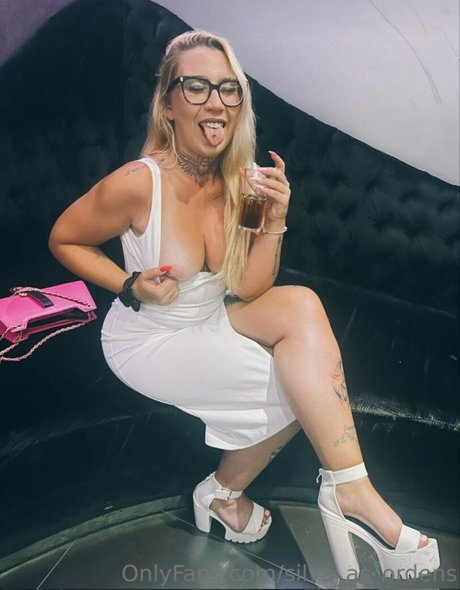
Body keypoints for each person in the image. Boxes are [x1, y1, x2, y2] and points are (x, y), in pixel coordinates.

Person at [49, 30, 439, 579]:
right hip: (150, 337)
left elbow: (251, 287)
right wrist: (129, 284)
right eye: (197, 87)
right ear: (168, 104)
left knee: (301, 306)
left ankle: (349, 488)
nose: (216, 102)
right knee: (299, 389)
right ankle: (229, 494)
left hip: (209, 316)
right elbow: (64, 239)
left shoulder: (238, 180)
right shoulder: (138, 183)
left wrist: (275, 221)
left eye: (229, 88)